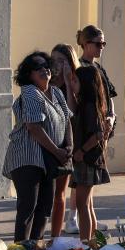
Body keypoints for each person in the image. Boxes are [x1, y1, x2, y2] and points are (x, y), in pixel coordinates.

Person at [3, 51, 73, 242]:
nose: (44, 70)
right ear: (29, 75)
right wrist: (58, 151)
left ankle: (36, 249)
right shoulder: (30, 92)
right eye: (37, 67)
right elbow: (34, 128)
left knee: (44, 207)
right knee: (28, 206)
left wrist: (69, 147)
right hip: (27, 158)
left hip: (48, 158)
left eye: (46, 66)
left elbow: (67, 121)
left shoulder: (56, 92)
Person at [73, 24, 117, 233]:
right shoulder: (81, 70)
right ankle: (86, 240)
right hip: (90, 133)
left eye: (103, 43)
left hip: (95, 135)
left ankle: (87, 243)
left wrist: (111, 117)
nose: (101, 47)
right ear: (85, 44)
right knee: (84, 200)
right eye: (98, 43)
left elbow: (109, 97)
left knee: (85, 198)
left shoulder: (97, 69)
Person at [72, 66, 111, 246]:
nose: (73, 84)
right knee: (86, 204)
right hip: (88, 161)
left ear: (85, 84)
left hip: (87, 161)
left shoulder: (90, 107)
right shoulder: (87, 104)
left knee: (82, 204)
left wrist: (82, 151)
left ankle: (84, 243)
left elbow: (98, 134)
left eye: (75, 81)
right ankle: (92, 242)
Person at [49, 44, 80, 238]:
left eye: (62, 61)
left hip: (65, 143)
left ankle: (55, 237)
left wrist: (68, 83)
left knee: (60, 193)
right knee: (45, 194)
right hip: (47, 141)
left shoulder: (74, 81)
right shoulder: (46, 81)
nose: (57, 65)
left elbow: (72, 111)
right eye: (54, 60)